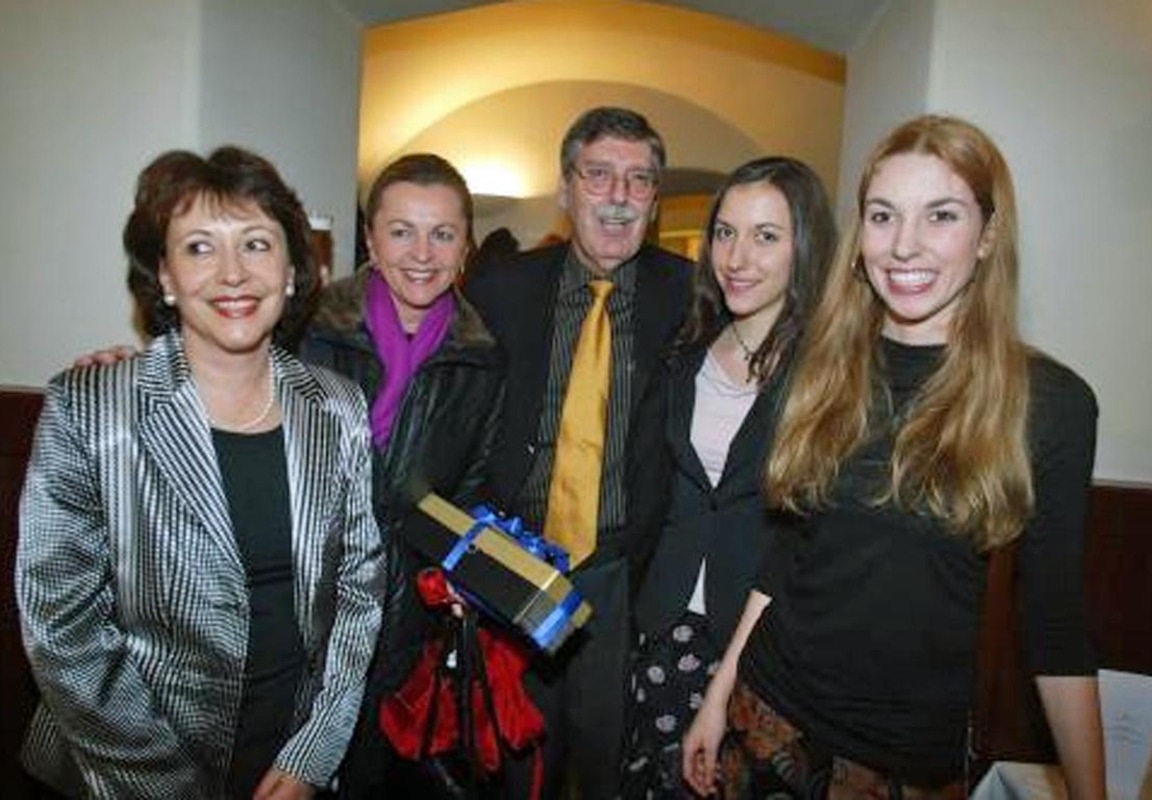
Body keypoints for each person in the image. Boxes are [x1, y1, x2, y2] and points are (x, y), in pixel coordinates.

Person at [683, 115, 1105, 799]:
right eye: (883, 216)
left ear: (989, 235)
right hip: (764, 720)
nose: (904, 246)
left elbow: (1054, 622)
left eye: (941, 215)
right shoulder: (818, 370)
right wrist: (716, 693)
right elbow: (785, 556)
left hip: (905, 765)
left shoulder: (1049, 404)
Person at [16, 146, 384, 799]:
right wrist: (168, 787)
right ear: (163, 276)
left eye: (256, 243)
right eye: (199, 248)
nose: (233, 273)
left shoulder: (339, 407)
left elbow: (359, 595)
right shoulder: (91, 408)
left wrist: (313, 752)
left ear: (296, 269)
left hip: (287, 759)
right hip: (125, 768)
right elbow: (62, 625)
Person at [465, 106, 693, 800]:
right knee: (510, 764)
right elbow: (427, 368)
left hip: (621, 577)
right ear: (566, 189)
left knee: (604, 767)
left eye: (639, 180)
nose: (619, 196)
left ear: (654, 200)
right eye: (599, 175)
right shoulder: (501, 287)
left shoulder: (688, 294)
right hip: (512, 563)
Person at [621, 157, 835, 798]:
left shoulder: (828, 376)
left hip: (768, 645)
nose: (737, 257)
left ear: (805, 247)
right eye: (725, 233)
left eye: (766, 236)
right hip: (663, 627)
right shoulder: (685, 354)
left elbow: (808, 534)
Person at [298, 153, 504, 798]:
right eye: (401, 230)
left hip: (403, 621)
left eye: (443, 233)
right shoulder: (306, 327)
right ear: (370, 237)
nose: (422, 253)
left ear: (466, 245)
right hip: (299, 606)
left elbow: (469, 490)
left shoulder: (483, 358)